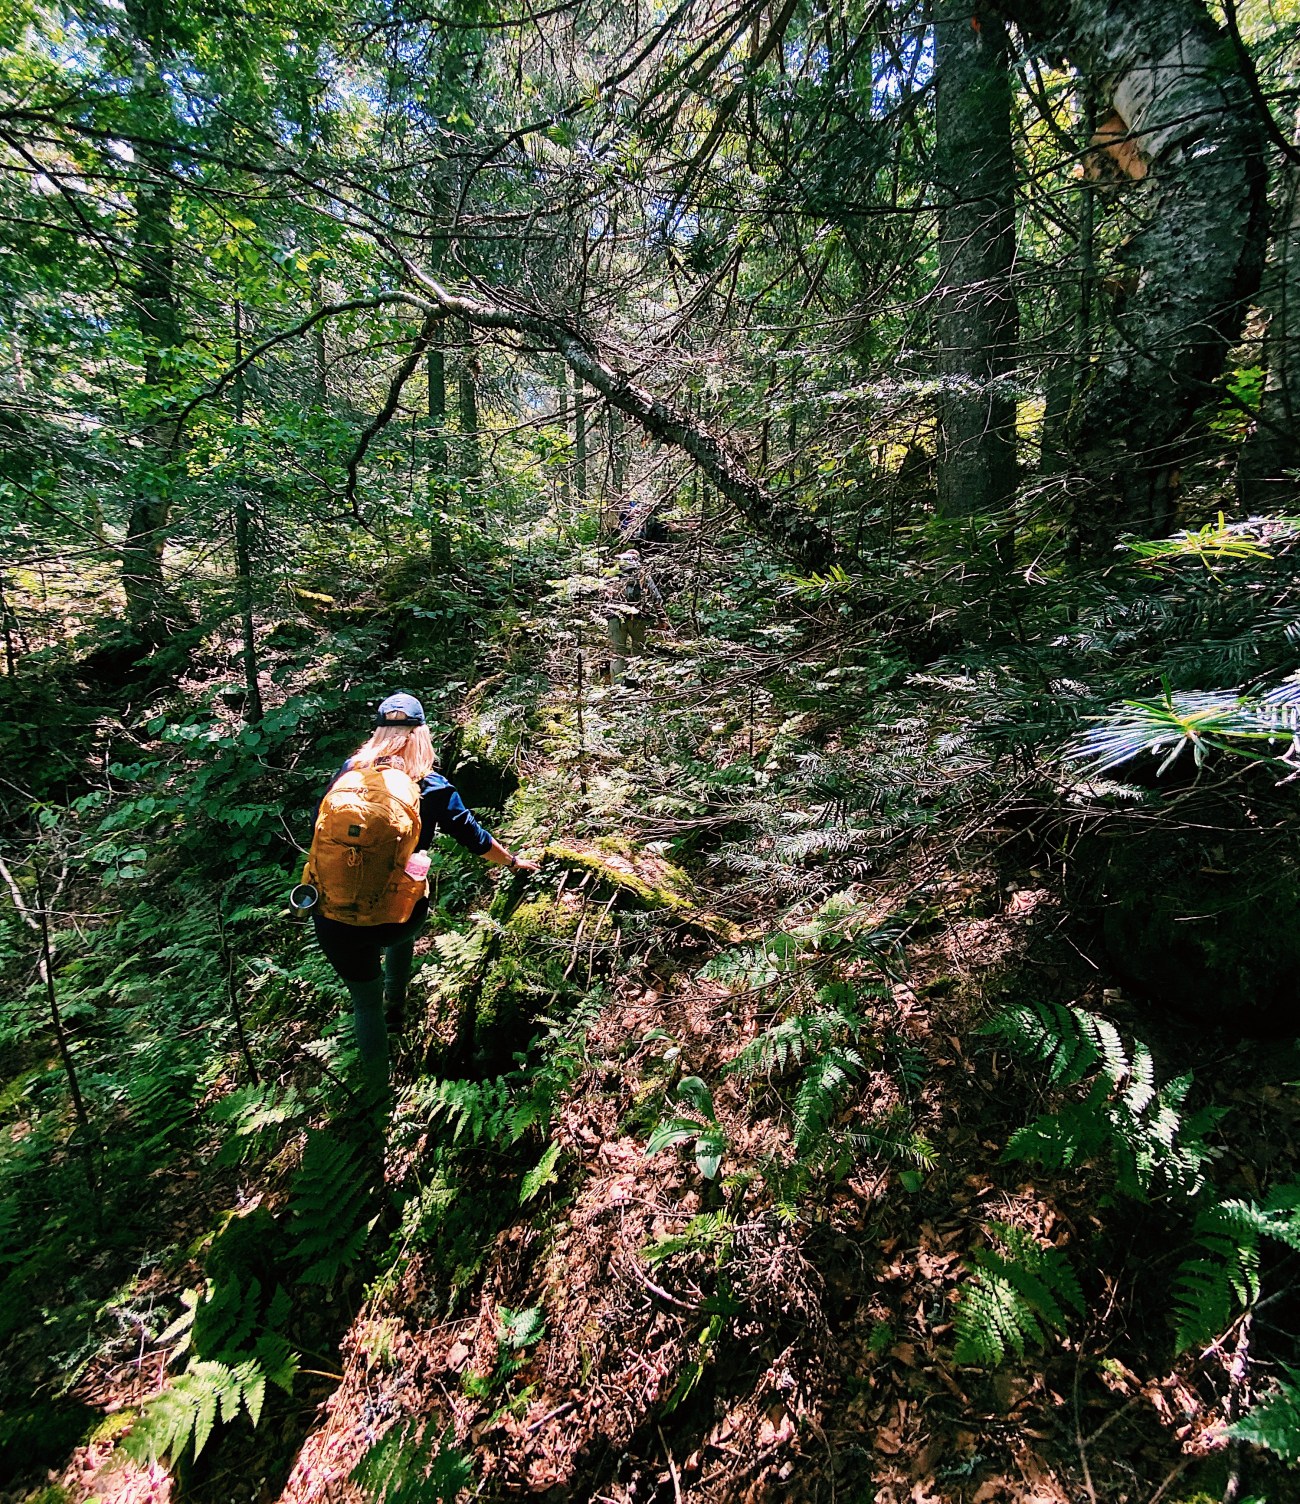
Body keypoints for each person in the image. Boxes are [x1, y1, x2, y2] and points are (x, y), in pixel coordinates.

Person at [307, 692, 538, 1093]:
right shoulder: (430, 784)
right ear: (421, 734)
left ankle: (376, 1091)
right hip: (397, 918)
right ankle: (395, 1004)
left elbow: (317, 825)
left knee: (363, 1003)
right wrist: (514, 862)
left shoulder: (349, 773)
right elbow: (476, 838)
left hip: (333, 916)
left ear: (378, 732)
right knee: (409, 897)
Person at [605, 548, 663, 682]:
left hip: (614, 617)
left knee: (618, 653)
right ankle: (637, 682)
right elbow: (656, 598)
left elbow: (601, 595)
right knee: (640, 649)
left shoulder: (611, 574)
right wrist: (662, 619)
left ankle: (617, 688)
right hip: (638, 618)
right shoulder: (642, 574)